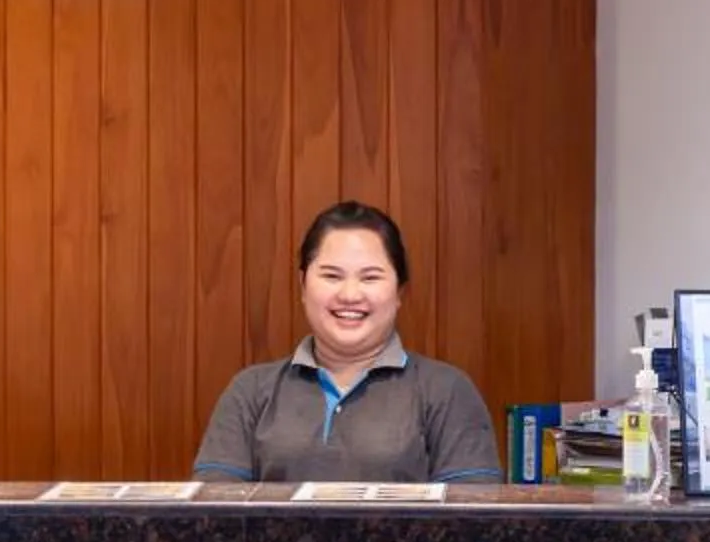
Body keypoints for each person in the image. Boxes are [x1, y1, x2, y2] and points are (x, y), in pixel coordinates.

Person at [192, 201, 502, 486]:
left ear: (399, 293)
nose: (350, 294)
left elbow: (474, 524)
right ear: (303, 285)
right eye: (331, 276)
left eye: (370, 278)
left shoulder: (446, 391)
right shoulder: (250, 391)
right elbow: (213, 519)